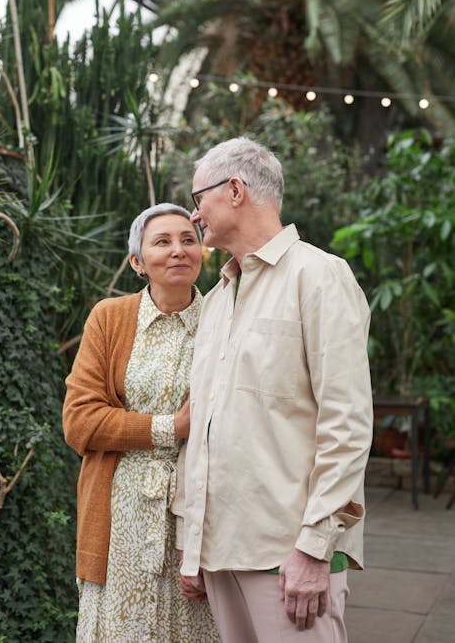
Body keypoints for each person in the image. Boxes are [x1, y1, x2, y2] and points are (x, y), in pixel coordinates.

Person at [177, 137, 373, 642]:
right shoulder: (219, 296)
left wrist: (314, 548)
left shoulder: (320, 276)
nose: (195, 215)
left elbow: (346, 424)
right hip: (221, 551)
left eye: (198, 199)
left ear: (235, 190)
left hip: (290, 556)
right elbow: (206, 427)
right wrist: (193, 546)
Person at [63, 203, 220, 643]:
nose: (178, 251)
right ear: (137, 261)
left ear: (202, 251)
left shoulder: (223, 318)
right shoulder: (109, 317)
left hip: (201, 511)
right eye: (162, 242)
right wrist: (172, 427)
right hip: (119, 513)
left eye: (188, 239)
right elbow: (79, 422)